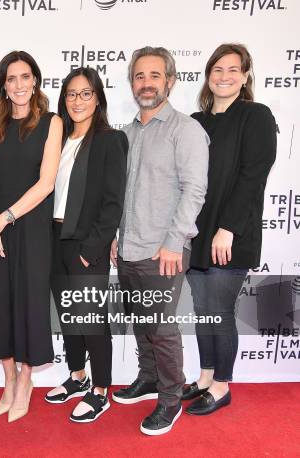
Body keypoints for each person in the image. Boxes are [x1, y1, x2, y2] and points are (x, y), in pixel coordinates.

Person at [110, 46, 209, 435]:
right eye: (139, 76)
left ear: (170, 80)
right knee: (141, 322)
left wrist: (174, 242)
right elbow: (122, 194)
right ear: (132, 82)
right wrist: (117, 238)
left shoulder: (185, 130)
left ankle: (170, 400)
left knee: (162, 328)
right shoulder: (126, 133)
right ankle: (149, 378)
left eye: (154, 75)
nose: (146, 83)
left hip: (163, 251)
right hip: (131, 247)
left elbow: (194, 190)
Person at [182, 44, 277, 415]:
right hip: (196, 233)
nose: (224, 76)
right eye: (217, 69)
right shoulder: (196, 121)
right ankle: (205, 377)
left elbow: (254, 175)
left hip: (230, 234)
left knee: (219, 309)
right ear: (208, 75)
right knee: (204, 310)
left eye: (233, 69)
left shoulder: (255, 116)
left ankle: (222, 385)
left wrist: (227, 228)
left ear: (246, 75)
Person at [0, 50, 63, 423]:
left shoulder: (52, 122)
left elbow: (46, 184)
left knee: (28, 304)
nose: (19, 84)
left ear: (36, 81)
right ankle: (9, 379)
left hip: (30, 228)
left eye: (25, 76)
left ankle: (26, 380)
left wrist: (3, 219)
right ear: (3, 86)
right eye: (11, 79)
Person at [44, 67, 128, 423]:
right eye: (71, 94)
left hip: (85, 243)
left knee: (91, 319)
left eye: (86, 93)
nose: (78, 101)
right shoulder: (58, 139)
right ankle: (77, 377)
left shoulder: (110, 139)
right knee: (68, 316)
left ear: (98, 98)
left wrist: (92, 248)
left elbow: (113, 202)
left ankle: (100, 390)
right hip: (53, 239)